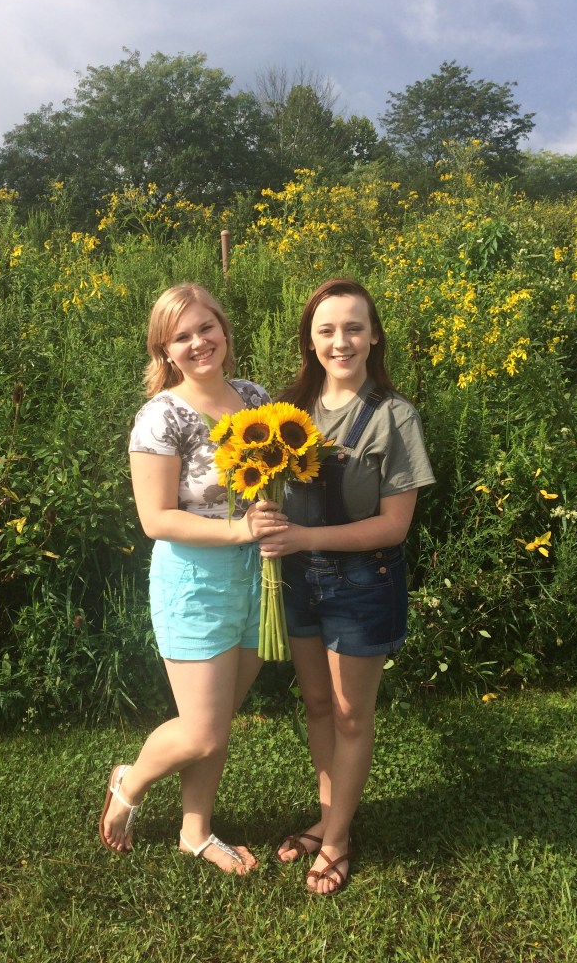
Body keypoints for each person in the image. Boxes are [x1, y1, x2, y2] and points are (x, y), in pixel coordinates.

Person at [99, 283, 285, 873]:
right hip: (195, 582)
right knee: (203, 730)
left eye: (207, 328)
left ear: (225, 331)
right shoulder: (162, 416)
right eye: (182, 336)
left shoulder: (255, 398)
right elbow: (155, 519)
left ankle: (195, 830)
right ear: (166, 351)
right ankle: (130, 782)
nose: (198, 342)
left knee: (219, 720)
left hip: (260, 578)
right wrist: (240, 532)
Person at [259, 277, 435, 895]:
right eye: (328, 330)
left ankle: (336, 840)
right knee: (316, 706)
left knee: (352, 716)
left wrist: (304, 540)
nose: (342, 341)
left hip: (364, 582)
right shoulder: (286, 413)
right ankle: (329, 817)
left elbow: (394, 525)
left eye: (354, 328)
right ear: (310, 340)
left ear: (374, 335)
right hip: (299, 582)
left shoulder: (395, 417)